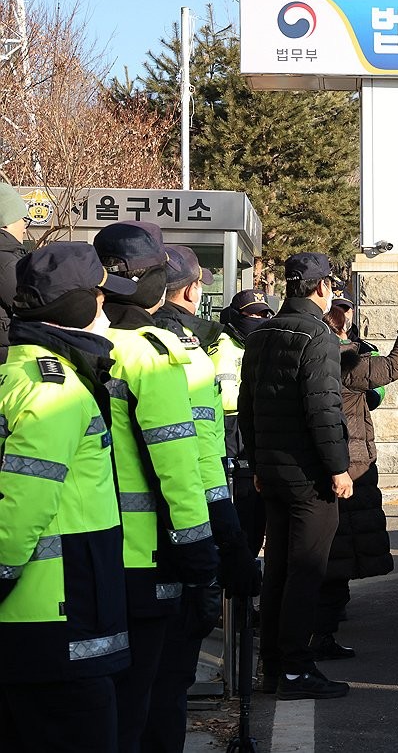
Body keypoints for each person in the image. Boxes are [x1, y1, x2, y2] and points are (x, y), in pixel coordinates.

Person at [0, 243, 138, 752]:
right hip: (57, 622)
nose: (106, 312)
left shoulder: (20, 374)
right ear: (78, 306)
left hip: (49, 620)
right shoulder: (52, 389)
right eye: (100, 299)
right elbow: (22, 505)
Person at [93, 222, 219, 750]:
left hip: (86, 555)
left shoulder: (74, 343)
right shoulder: (154, 352)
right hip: (150, 557)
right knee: (150, 696)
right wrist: (204, 554)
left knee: (102, 703)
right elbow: (179, 466)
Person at [143, 245, 261, 753]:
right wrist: (228, 551)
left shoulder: (105, 342)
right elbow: (197, 471)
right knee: (165, 691)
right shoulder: (183, 355)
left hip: (101, 559)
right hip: (177, 552)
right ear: (193, 290)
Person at [239, 252, 353, 700]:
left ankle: (273, 667)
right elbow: (323, 410)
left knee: (278, 571)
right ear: (321, 288)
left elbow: (248, 405)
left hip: (272, 471)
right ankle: (296, 669)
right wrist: (338, 468)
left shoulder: (262, 333)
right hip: (309, 476)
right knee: (306, 573)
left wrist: (258, 464)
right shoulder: (318, 337)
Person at [311, 302, 398, 660]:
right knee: (337, 551)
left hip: (335, 463)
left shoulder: (315, 354)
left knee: (335, 549)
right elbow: (395, 366)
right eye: (345, 320)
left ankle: (323, 623)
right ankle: (321, 632)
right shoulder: (342, 360)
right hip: (347, 466)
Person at [216, 289, 274, 558]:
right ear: (237, 316)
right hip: (230, 431)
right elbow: (226, 397)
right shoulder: (222, 344)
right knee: (240, 507)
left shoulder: (264, 343)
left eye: (263, 314)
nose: (258, 319)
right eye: (252, 314)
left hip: (257, 429)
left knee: (255, 513)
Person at [0, 182, 30, 361]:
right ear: (6, 223)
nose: (25, 228)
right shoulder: (6, 264)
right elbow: (30, 306)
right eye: (22, 220)